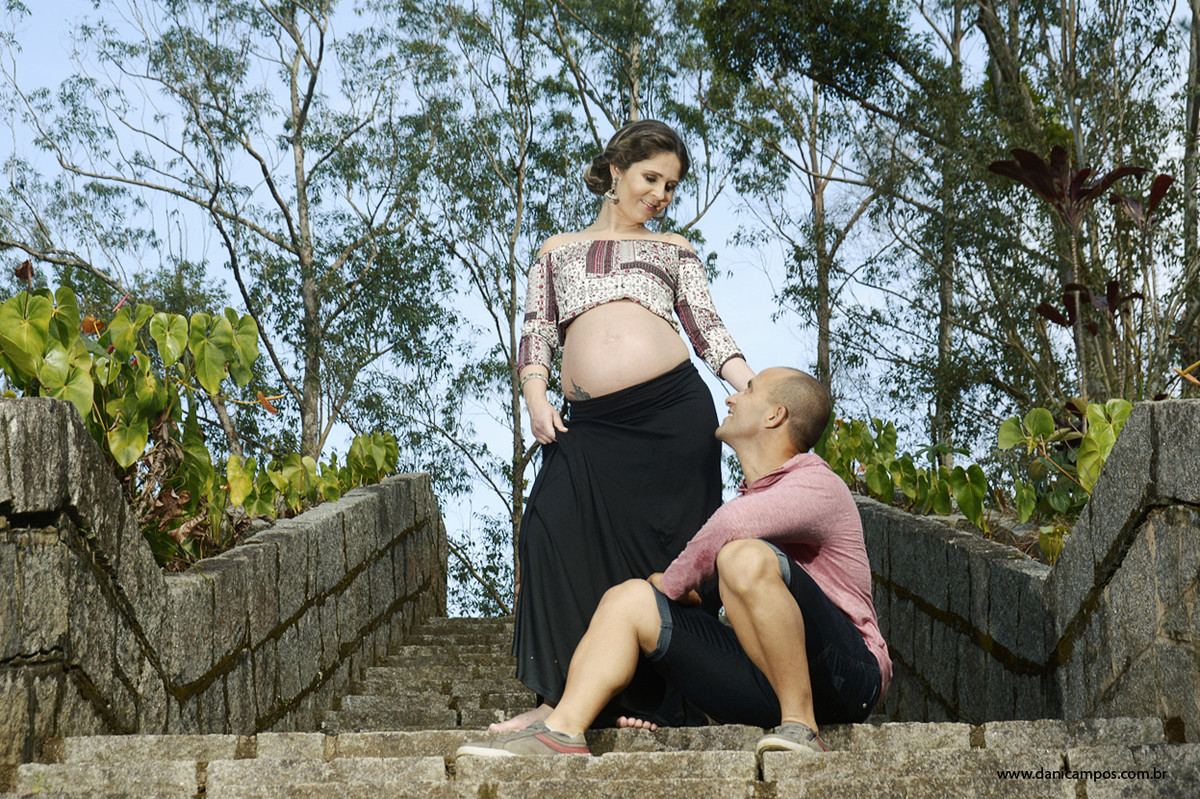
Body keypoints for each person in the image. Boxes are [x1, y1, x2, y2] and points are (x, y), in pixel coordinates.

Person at [459, 368, 891, 757]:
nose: (732, 398)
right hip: (765, 678)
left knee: (739, 556)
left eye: (750, 389)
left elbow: (732, 525)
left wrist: (671, 581)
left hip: (846, 677)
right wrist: (660, 592)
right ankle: (561, 731)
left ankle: (803, 728)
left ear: (775, 416)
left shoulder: (816, 482)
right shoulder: (756, 495)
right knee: (629, 600)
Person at [501, 119, 755, 731]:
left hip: (673, 420)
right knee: (549, 530)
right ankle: (557, 702)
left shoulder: (675, 250)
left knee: (668, 561)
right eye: (651, 178)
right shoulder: (554, 250)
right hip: (589, 426)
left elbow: (707, 328)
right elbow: (536, 330)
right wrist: (535, 395)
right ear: (616, 171)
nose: (661, 194)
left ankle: (652, 701)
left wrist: (756, 394)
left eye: (671, 185)